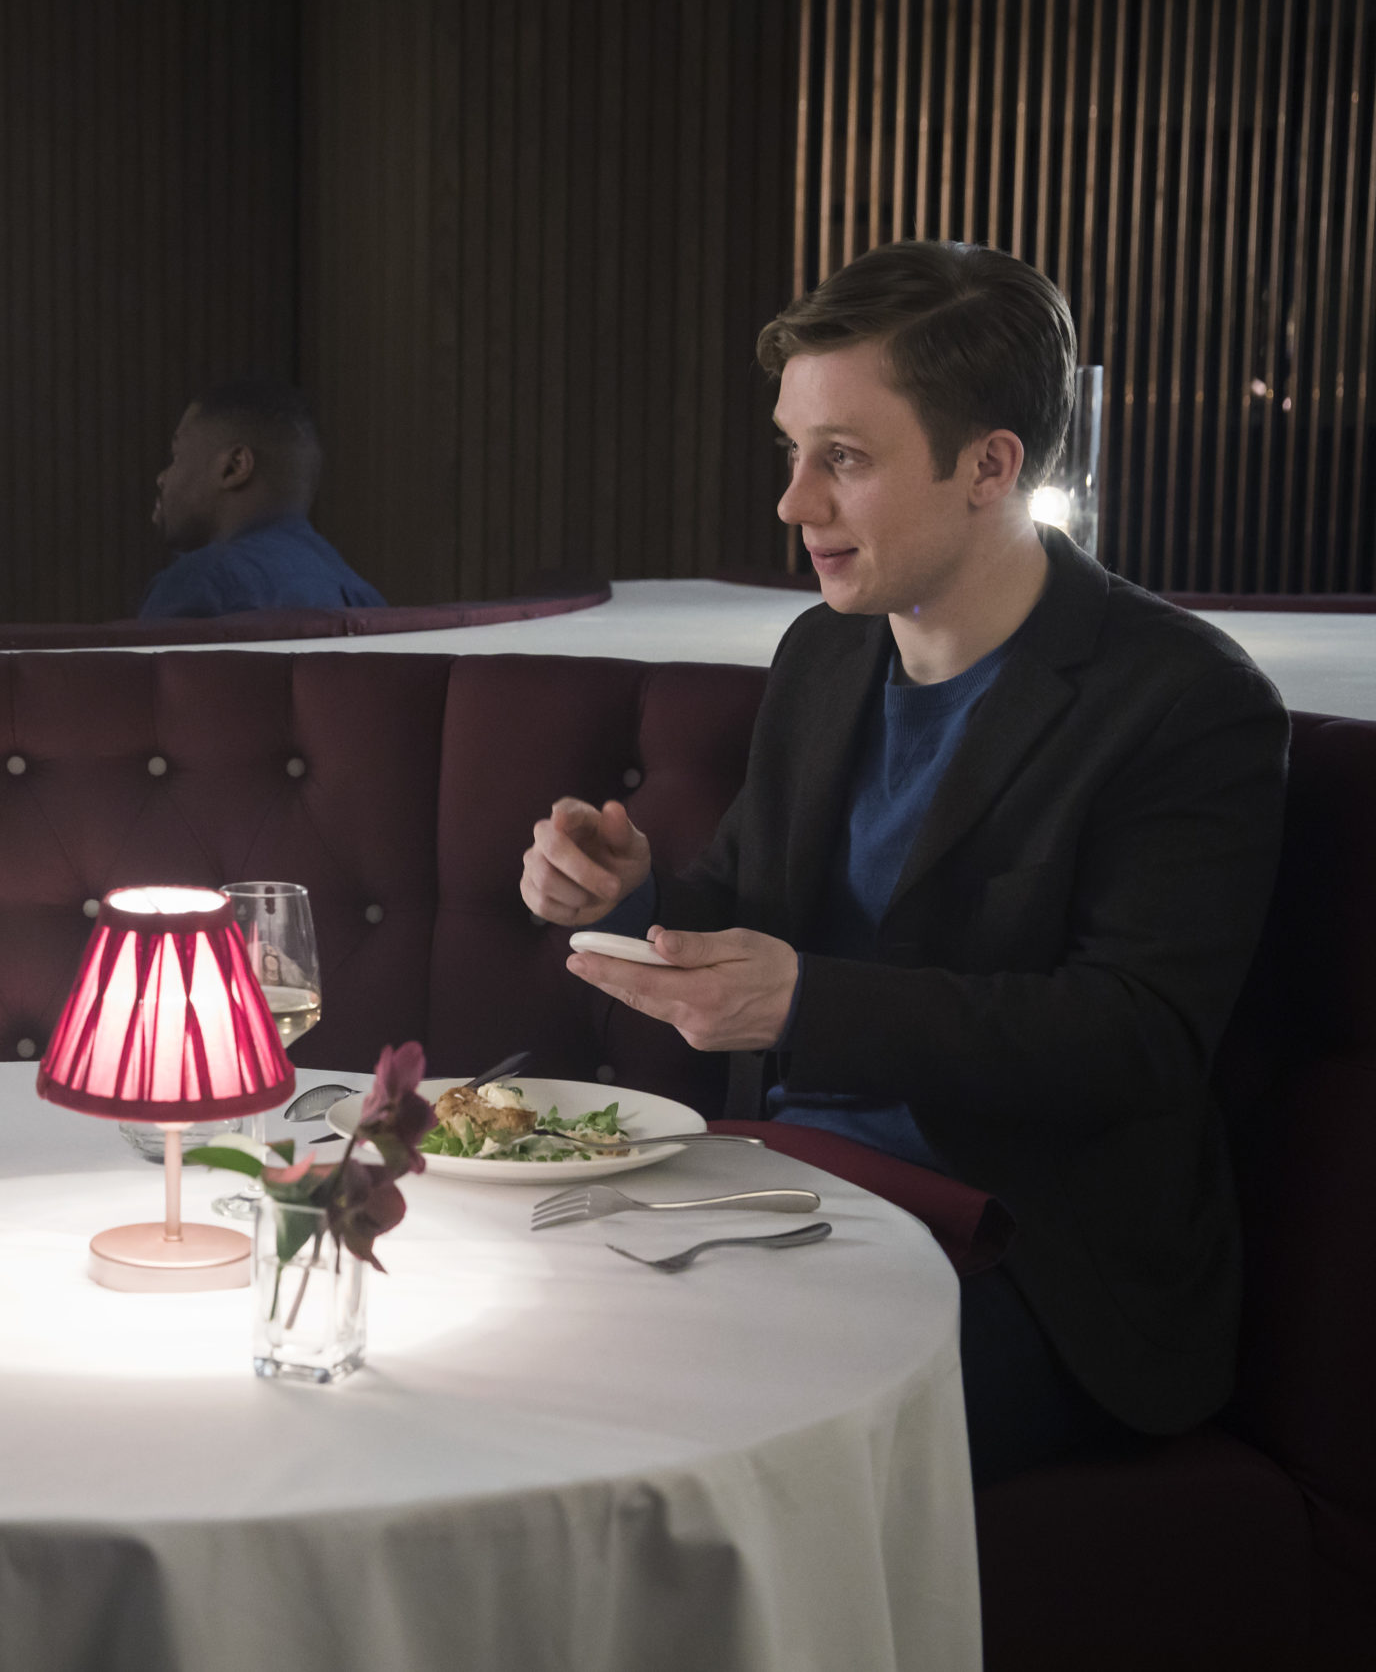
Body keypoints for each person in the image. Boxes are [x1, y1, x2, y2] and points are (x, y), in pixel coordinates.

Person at [518, 241, 1286, 1489]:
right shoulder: (825, 654)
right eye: (792, 450)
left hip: (1034, 1262)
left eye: (844, 458)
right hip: (788, 1195)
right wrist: (632, 896)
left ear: (989, 466)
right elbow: (746, 915)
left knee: (668, 1413)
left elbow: (1136, 1036)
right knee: (518, 1332)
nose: (792, 504)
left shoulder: (1182, 701)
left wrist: (810, 1005)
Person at [138, 379, 384, 618]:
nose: (161, 478)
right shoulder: (362, 596)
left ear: (234, 467)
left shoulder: (199, 584)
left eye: (177, 456)